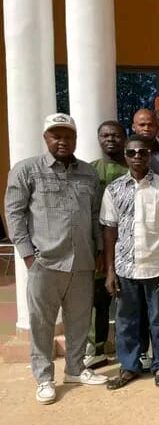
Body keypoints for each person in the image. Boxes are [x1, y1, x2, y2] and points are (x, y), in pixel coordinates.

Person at [5, 113, 108, 404]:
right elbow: (14, 213)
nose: (62, 141)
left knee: (79, 320)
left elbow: (94, 215)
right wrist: (28, 256)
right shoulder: (27, 170)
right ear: (46, 138)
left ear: (75, 138)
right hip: (45, 262)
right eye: (56, 136)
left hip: (82, 261)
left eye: (68, 136)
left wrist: (99, 250)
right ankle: (44, 378)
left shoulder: (88, 173)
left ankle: (75, 369)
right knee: (42, 323)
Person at [102, 136, 159, 390]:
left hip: (157, 266)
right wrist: (110, 270)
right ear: (125, 156)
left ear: (150, 155)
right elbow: (109, 232)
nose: (137, 156)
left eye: (142, 152)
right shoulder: (114, 190)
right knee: (127, 321)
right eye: (132, 152)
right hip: (125, 267)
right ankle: (129, 367)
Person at [85, 120, 129, 370]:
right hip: (100, 249)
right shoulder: (90, 171)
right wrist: (99, 248)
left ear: (124, 138)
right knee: (98, 301)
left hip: (129, 248)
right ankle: (97, 349)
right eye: (105, 135)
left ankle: (128, 350)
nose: (110, 139)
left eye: (116, 135)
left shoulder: (133, 168)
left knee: (128, 301)